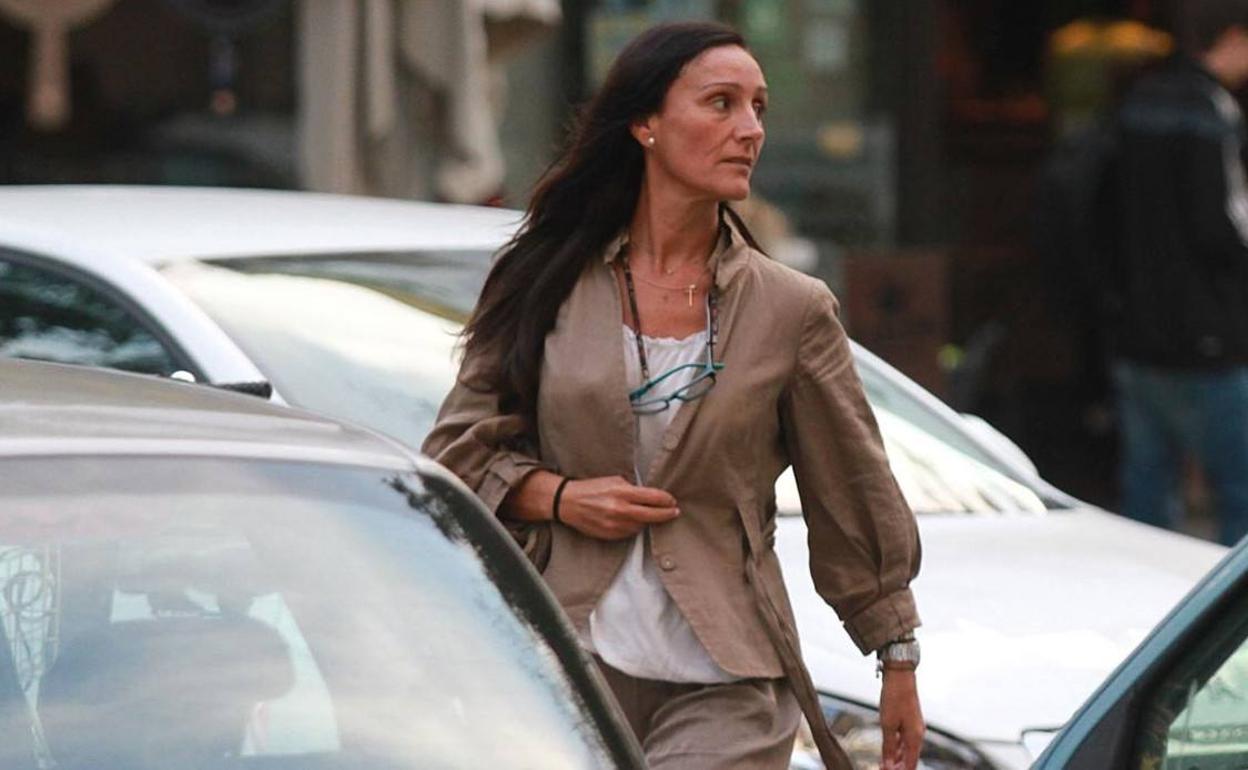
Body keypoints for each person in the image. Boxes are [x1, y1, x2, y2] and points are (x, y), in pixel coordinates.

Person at [423, 21, 923, 770]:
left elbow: (854, 492)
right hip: (567, 656)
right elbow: (453, 456)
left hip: (729, 676)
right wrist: (560, 498)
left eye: (758, 107)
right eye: (721, 104)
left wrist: (897, 659)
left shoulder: (791, 309)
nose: (749, 129)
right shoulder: (544, 280)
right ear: (645, 123)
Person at [1106, 0, 1248, 545]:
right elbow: (1222, 228)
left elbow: (1099, 212)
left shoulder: (1136, 103)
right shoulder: (1211, 110)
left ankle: (1152, 598)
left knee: (1146, 496)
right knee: (1239, 493)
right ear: (1232, 38)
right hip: (1207, 339)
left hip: (1137, 331)